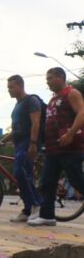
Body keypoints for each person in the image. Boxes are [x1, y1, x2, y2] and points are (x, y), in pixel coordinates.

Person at [29, 68, 84, 226]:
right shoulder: (53, 99)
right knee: (47, 182)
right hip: (53, 149)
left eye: (51, 78)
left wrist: (70, 133)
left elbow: (82, 113)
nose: (48, 81)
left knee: (76, 180)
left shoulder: (71, 93)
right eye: (47, 78)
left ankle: (46, 215)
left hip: (70, 147)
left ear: (61, 77)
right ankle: (47, 216)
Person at [0, 74, 43, 222]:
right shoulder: (17, 106)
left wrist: (33, 143)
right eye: (7, 88)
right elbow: (15, 130)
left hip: (28, 142)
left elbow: (36, 122)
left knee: (20, 171)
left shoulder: (31, 101)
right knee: (21, 175)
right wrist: (2, 142)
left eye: (11, 87)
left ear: (20, 86)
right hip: (19, 144)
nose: (9, 90)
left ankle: (38, 205)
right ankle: (27, 209)